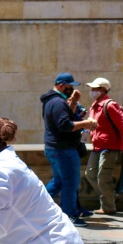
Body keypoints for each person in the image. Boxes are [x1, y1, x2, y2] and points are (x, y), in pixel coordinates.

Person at [40, 73, 98, 227]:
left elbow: (63, 119)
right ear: (61, 85)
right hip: (63, 150)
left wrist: (73, 104)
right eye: (69, 86)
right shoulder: (58, 102)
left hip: (55, 149)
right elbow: (65, 125)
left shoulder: (51, 101)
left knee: (59, 182)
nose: (71, 89)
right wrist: (86, 124)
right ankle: (69, 215)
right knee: (70, 183)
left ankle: (37, 207)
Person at [84, 77, 123, 215]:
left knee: (103, 177)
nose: (92, 91)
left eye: (95, 88)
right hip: (97, 146)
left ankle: (108, 207)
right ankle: (111, 196)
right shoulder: (93, 106)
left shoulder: (110, 105)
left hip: (110, 146)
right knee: (90, 174)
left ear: (103, 90)